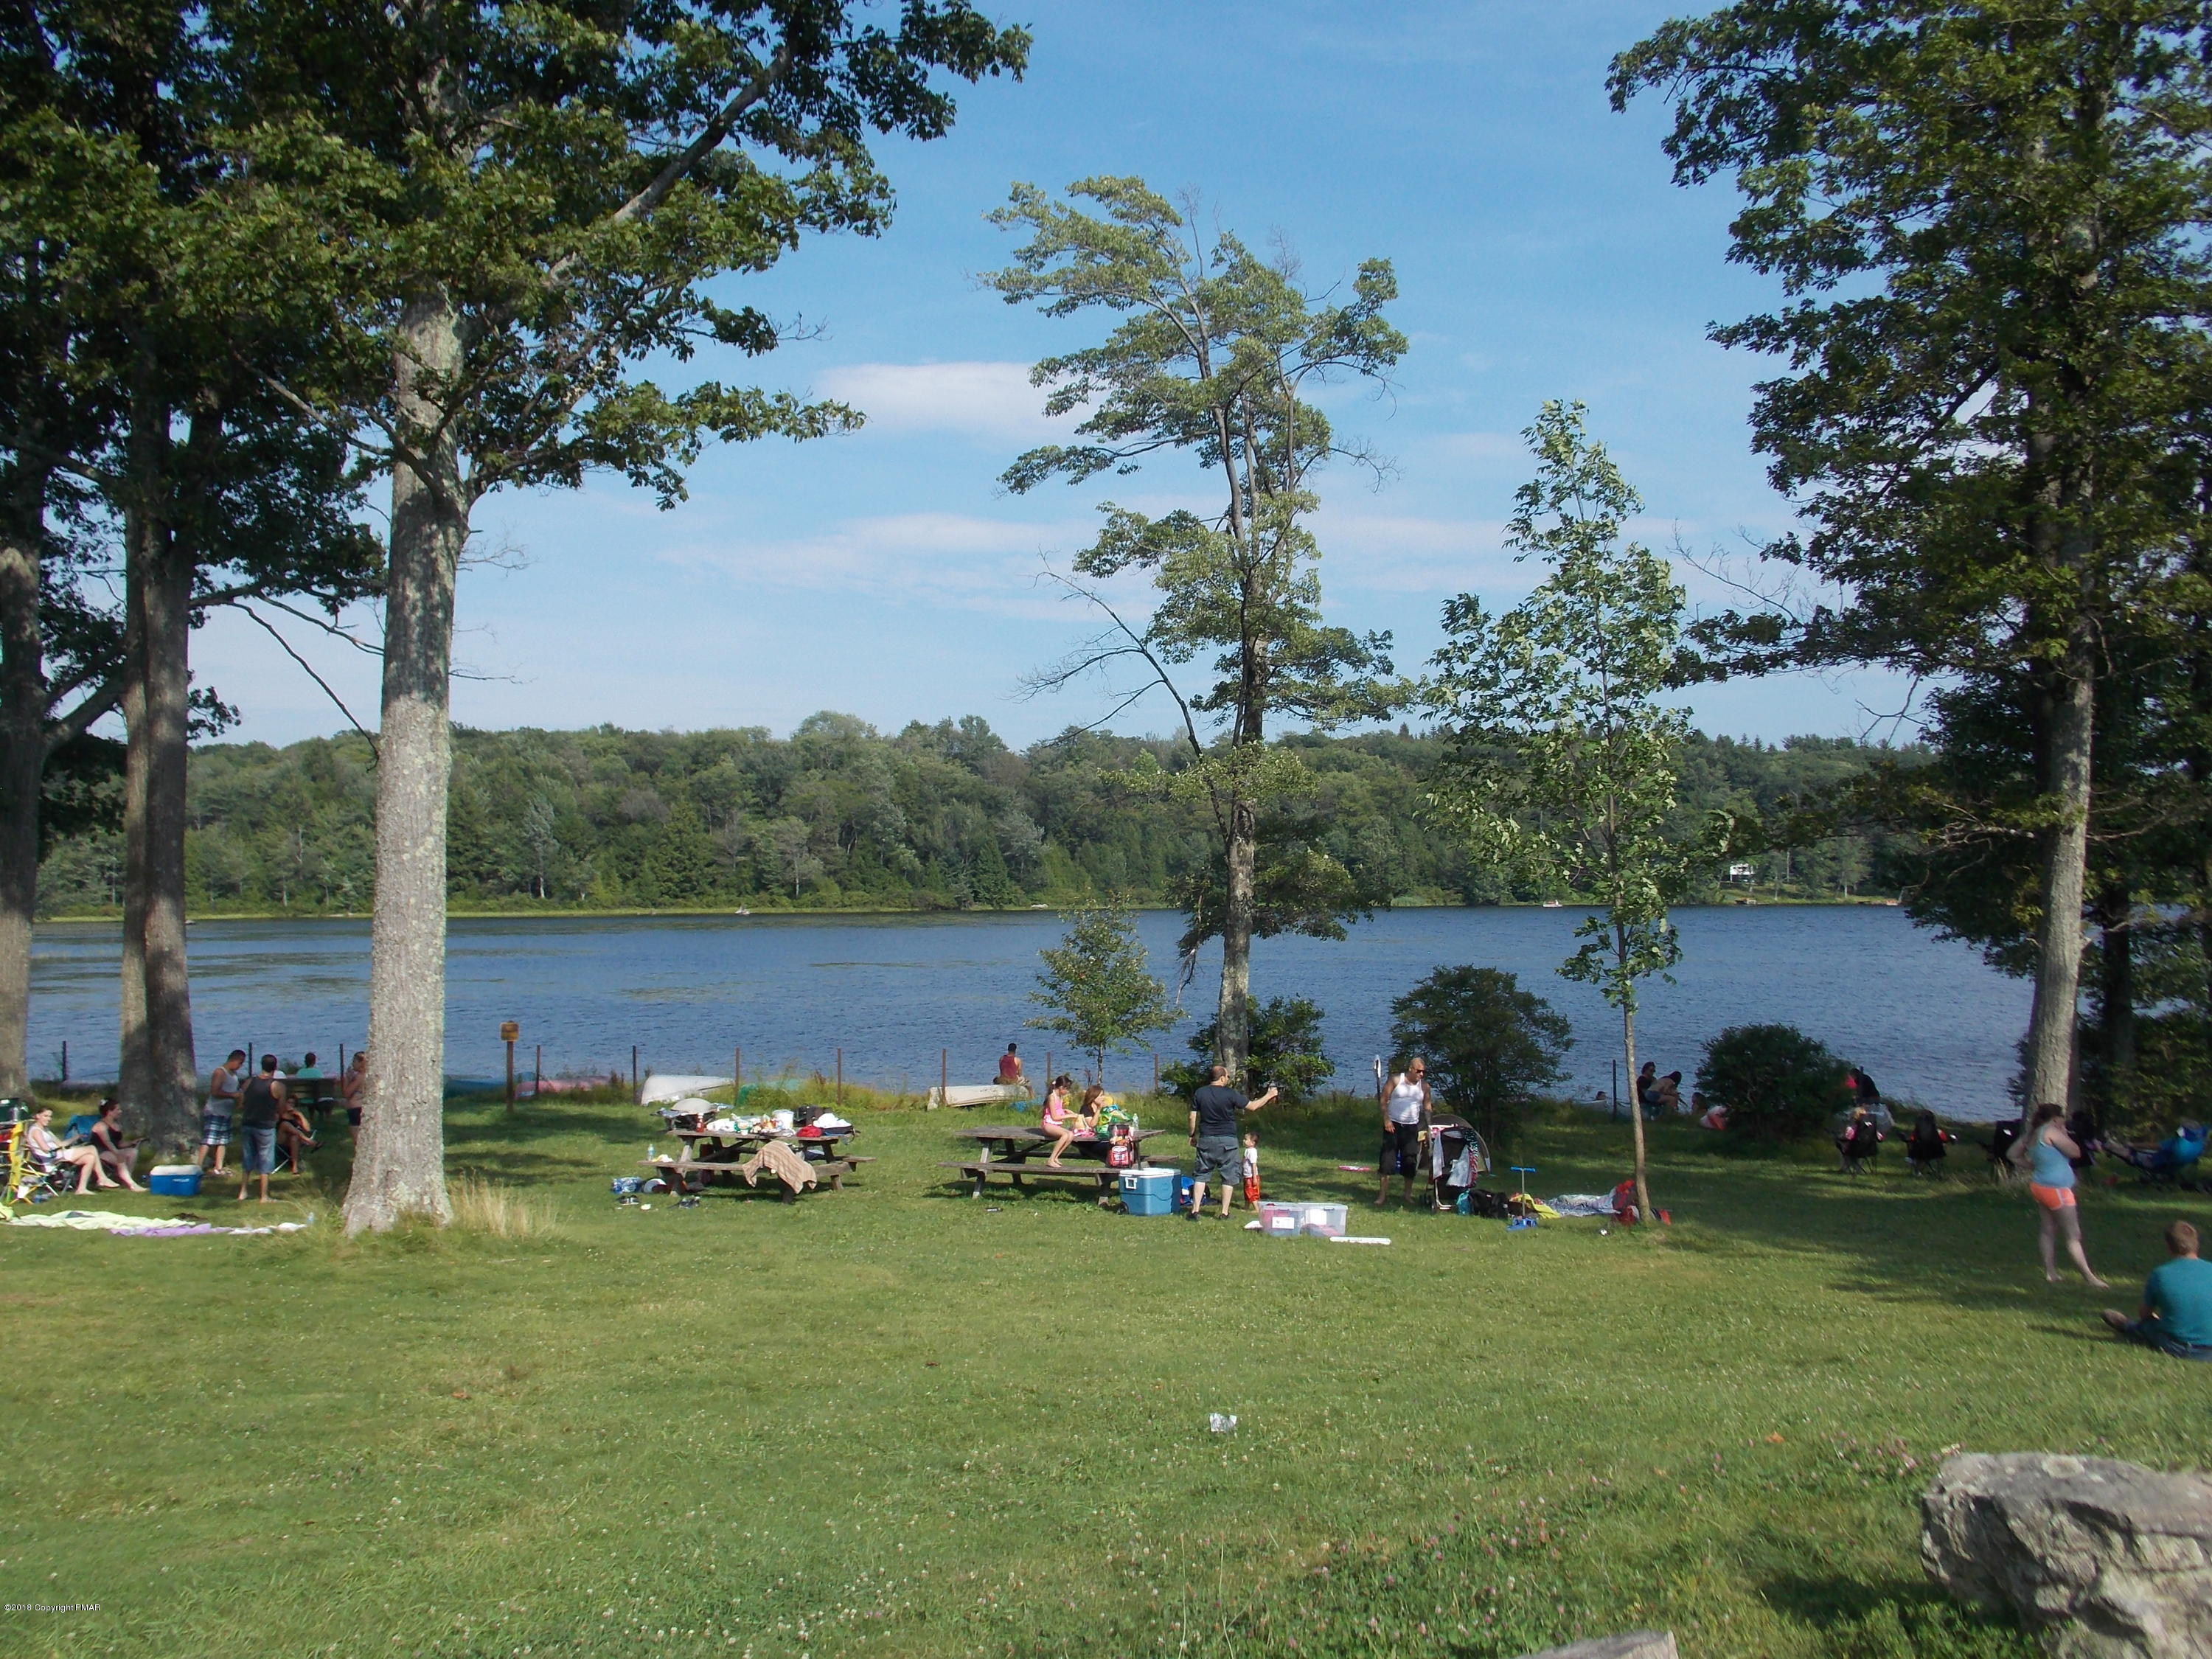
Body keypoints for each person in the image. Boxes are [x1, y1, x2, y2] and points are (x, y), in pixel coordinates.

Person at [2013, 1101, 2108, 1287]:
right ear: (2056, 1119)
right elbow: (2075, 1152)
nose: (2063, 1125)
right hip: (2057, 1190)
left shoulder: (2032, 1134)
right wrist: (2064, 1135)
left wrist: (2033, 1165)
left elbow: (2013, 1154)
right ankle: (2090, 1277)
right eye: (2062, 1122)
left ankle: (2051, 1272)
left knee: (2048, 1230)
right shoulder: (2051, 1131)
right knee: (2073, 1234)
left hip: (2040, 1186)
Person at [2099, 1221, 2212, 1360]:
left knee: (2148, 1326)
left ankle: (2128, 1326)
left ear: (2168, 1247)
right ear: (2197, 1244)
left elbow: (2144, 1313)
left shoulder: (2161, 1275)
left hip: (2179, 1347)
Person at [1188, 1065, 1279, 1218]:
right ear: (1222, 1078)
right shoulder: (1230, 1094)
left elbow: (1192, 1117)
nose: (1228, 1079)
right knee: (1228, 1177)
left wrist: (1192, 1135)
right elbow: (1253, 1106)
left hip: (1206, 1139)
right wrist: (1269, 1095)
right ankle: (1224, 1212)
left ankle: (1195, 1211)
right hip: (1228, 1141)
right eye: (1228, 1077)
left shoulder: (1200, 1093)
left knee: (1201, 1175)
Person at [1377, 1057, 1432, 1207]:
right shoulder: (1396, 1080)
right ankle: (1382, 1196)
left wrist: (1428, 1129)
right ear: (1410, 1069)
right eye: (1418, 1071)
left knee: (1410, 1161)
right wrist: (1386, 1119)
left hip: (1411, 1127)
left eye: (1423, 1072)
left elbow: (1427, 1108)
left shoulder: (1424, 1086)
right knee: (1387, 1161)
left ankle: (1407, 1195)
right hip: (1393, 1125)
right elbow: (1383, 1100)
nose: (1421, 1074)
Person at [236, 1053, 286, 1203]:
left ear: (261, 1065)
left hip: (248, 1123)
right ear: (275, 1068)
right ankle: (264, 1196)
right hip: (266, 1126)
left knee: (248, 1157)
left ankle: (243, 1191)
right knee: (265, 1159)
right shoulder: (277, 1086)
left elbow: (240, 1103)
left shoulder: (249, 1082)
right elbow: (282, 1110)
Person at [26, 1107, 108, 1193]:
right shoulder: (36, 1131)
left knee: (90, 1158)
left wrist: (76, 1137)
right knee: (92, 1148)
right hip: (52, 1158)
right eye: (45, 1116)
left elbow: (61, 1144)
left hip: (58, 1154)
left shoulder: (46, 1129)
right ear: (38, 1116)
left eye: (50, 1117)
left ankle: (81, 1189)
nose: (49, 1119)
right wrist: (62, 1150)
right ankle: (102, 1178)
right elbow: (45, 1149)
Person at [201, 1048, 246, 1174]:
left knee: (222, 1141)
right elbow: (215, 1092)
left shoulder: (234, 1076)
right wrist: (233, 1096)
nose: (240, 1066)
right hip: (215, 1110)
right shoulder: (220, 1072)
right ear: (233, 1060)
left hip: (226, 1112)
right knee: (209, 1139)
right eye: (240, 1063)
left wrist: (239, 1100)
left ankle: (218, 1167)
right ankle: (198, 1166)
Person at [87, 1098, 144, 1192]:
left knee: (133, 1152)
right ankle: (132, 1185)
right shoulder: (101, 1126)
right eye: (118, 1110)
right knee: (119, 1159)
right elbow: (107, 1142)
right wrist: (118, 1153)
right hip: (100, 1152)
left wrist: (132, 1142)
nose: (120, 1112)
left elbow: (120, 1144)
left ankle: (126, 1179)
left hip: (113, 1150)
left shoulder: (117, 1125)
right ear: (110, 1111)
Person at [1040, 1075, 1087, 1168]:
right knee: (1065, 1135)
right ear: (1061, 1088)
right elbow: (1054, 1117)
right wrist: (1069, 1116)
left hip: (1055, 1125)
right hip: (1048, 1124)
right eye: (1067, 1089)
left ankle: (1056, 1157)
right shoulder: (1052, 1097)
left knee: (1070, 1135)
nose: (1068, 1091)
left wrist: (1066, 1111)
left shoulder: (1059, 1097)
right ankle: (1051, 1159)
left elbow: (1058, 1110)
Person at [276, 1092, 320, 1172]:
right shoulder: (279, 1114)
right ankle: (310, 1142)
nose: (291, 1105)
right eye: (288, 1102)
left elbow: (308, 1130)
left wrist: (300, 1115)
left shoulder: (296, 1116)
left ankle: (295, 1167)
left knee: (294, 1138)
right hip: (280, 1143)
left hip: (293, 1144)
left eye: (293, 1103)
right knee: (285, 1124)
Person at [1837, 1105, 1881, 1175]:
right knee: (1858, 1147)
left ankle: (1845, 1168)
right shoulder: (1872, 1128)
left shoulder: (1853, 1128)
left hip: (1854, 1150)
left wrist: (1840, 1137)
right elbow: (1879, 1137)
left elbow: (1847, 1137)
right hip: (1869, 1149)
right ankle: (1858, 1168)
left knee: (1843, 1147)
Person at [1906, 1110, 1947, 1176]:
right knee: (1933, 1152)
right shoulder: (1937, 1132)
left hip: (1922, 1150)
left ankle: (1917, 1171)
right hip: (1934, 1150)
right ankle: (1938, 1172)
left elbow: (1913, 1139)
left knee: (1923, 1155)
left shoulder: (1918, 1131)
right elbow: (1944, 1140)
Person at [340, 1050, 369, 1134]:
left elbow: (347, 1093)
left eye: (354, 1061)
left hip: (355, 1109)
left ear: (361, 1063)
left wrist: (347, 1079)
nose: (353, 1064)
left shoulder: (359, 1077)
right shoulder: (367, 1076)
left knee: (357, 1139)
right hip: (361, 1107)